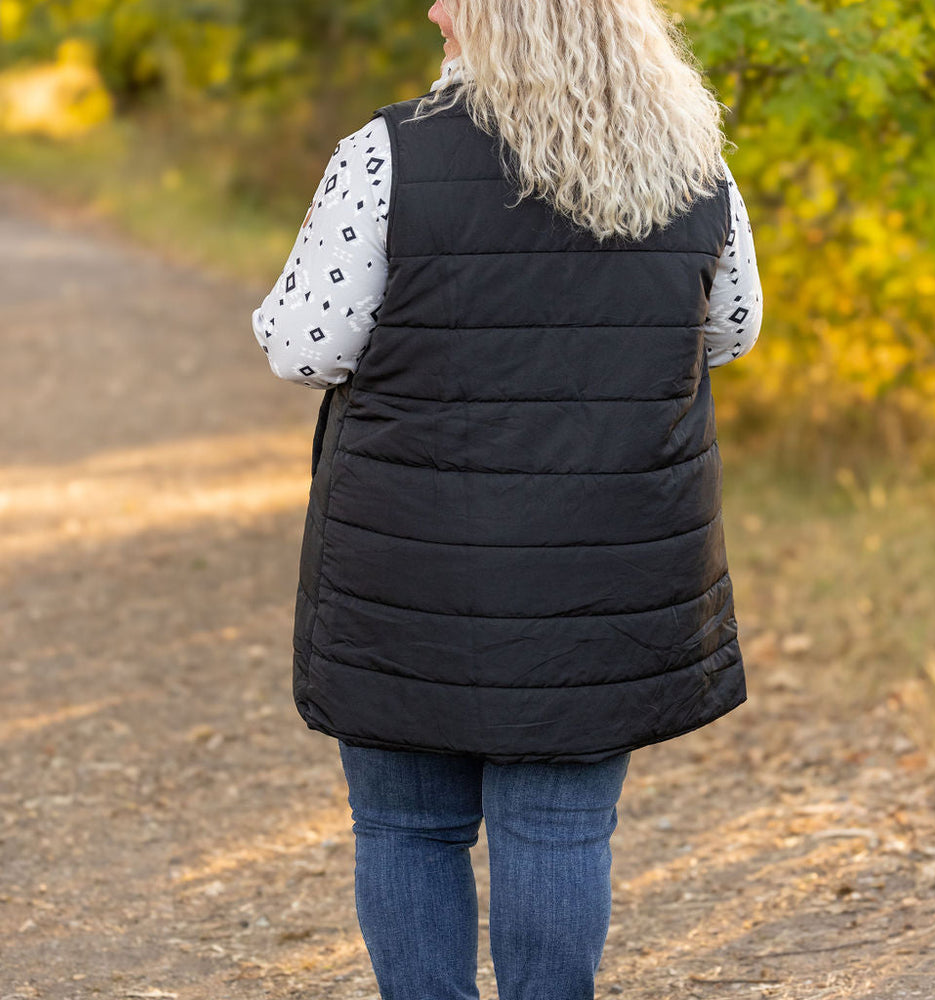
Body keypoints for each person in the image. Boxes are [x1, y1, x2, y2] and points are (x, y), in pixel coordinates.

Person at [251, 1, 762, 997]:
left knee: (407, 823)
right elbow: (729, 329)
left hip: (411, 569)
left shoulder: (385, 156)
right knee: (561, 827)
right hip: (602, 574)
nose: (435, 9)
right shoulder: (694, 164)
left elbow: (303, 345)